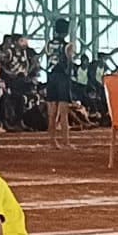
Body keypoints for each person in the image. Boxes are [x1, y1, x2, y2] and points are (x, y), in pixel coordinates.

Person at [44, 18, 76, 148]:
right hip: (62, 77)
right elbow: (69, 62)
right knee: (63, 112)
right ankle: (66, 141)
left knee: (52, 111)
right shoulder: (68, 45)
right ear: (66, 31)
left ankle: (52, 140)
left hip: (51, 76)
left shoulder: (49, 44)